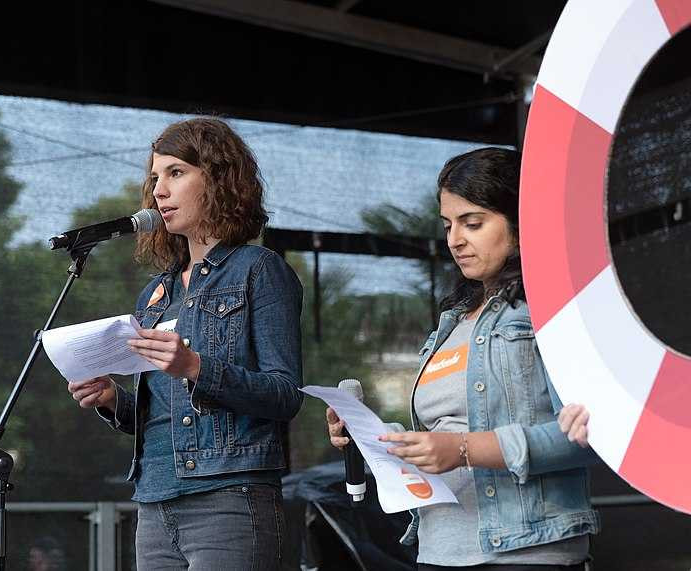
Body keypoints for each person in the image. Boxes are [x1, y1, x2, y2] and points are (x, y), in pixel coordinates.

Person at [327, 147, 599, 570]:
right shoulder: (450, 324)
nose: (455, 239)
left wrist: (465, 449)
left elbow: (589, 435)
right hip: (439, 550)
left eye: (472, 223)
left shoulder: (551, 312)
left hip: (528, 551)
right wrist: (375, 439)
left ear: (521, 221)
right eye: (448, 224)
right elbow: (443, 437)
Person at [67, 117, 304, 570]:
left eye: (176, 173)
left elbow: (285, 395)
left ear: (218, 178)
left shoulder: (258, 269)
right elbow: (165, 412)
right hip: (154, 499)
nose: (158, 190)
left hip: (228, 497)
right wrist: (114, 399)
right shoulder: (156, 293)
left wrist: (197, 367)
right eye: (155, 178)